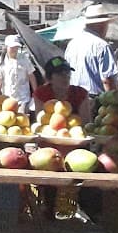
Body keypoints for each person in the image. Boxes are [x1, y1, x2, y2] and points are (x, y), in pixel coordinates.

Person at [32, 55, 92, 219]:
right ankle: (49, 207)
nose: (65, 77)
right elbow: (41, 121)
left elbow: (86, 123)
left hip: (75, 144)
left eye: (67, 73)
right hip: (50, 143)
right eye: (60, 74)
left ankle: (82, 208)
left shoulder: (80, 93)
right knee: (50, 168)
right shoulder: (42, 93)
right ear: (50, 78)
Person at [64, 3, 118, 96]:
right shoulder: (102, 46)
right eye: (106, 25)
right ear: (101, 25)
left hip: (73, 97)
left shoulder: (72, 44)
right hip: (95, 100)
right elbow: (107, 80)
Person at [0, 34, 36, 112]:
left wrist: (35, 93)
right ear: (6, 47)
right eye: (12, 47)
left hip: (23, 98)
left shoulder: (24, 59)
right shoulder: (1, 61)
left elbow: (31, 76)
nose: (14, 50)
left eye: (16, 47)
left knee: (21, 117)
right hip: (7, 99)